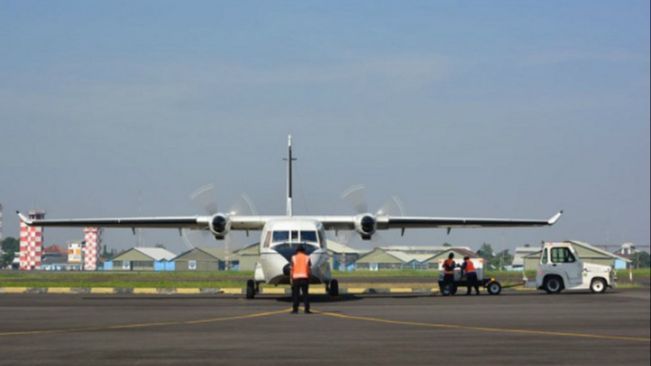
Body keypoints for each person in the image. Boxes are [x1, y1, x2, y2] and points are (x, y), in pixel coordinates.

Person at [290, 244, 312, 314]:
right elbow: (309, 269)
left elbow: (291, 269)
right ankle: (307, 309)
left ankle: (295, 309)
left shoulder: (293, 257)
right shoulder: (307, 257)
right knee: (305, 294)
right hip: (305, 278)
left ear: (297, 251)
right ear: (303, 251)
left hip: (296, 278)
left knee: (296, 294)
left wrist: (291, 278)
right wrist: (309, 277)